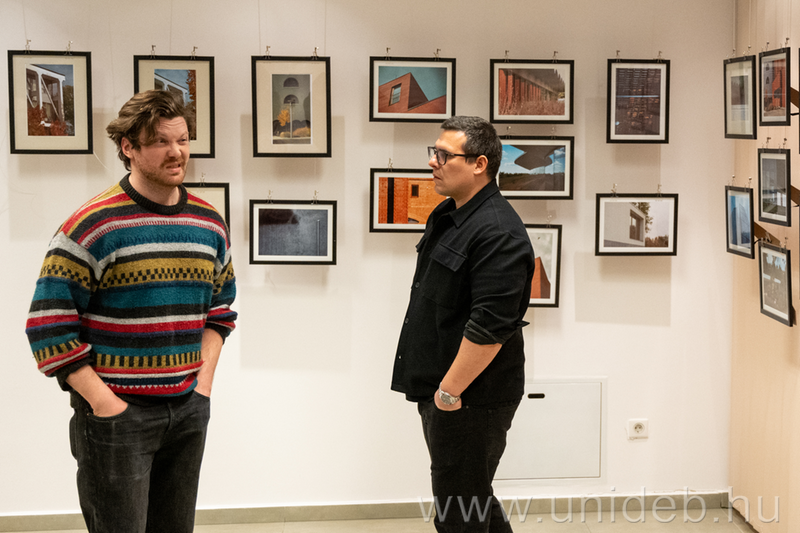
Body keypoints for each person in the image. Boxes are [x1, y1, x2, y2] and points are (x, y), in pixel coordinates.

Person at [24, 90, 237, 533]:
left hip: (187, 410)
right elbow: (48, 326)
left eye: (182, 139)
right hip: (117, 418)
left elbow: (220, 312)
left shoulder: (209, 223)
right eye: (160, 141)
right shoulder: (94, 224)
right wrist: (106, 405)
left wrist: (202, 387)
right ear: (128, 147)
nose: (177, 152)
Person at [391, 116, 535, 533]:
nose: (432, 162)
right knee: (473, 498)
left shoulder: (499, 232)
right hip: (445, 391)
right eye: (433, 152)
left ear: (479, 164)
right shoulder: (450, 214)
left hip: (471, 399)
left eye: (443, 154)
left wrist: (448, 393)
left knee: (459, 513)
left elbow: (489, 329)